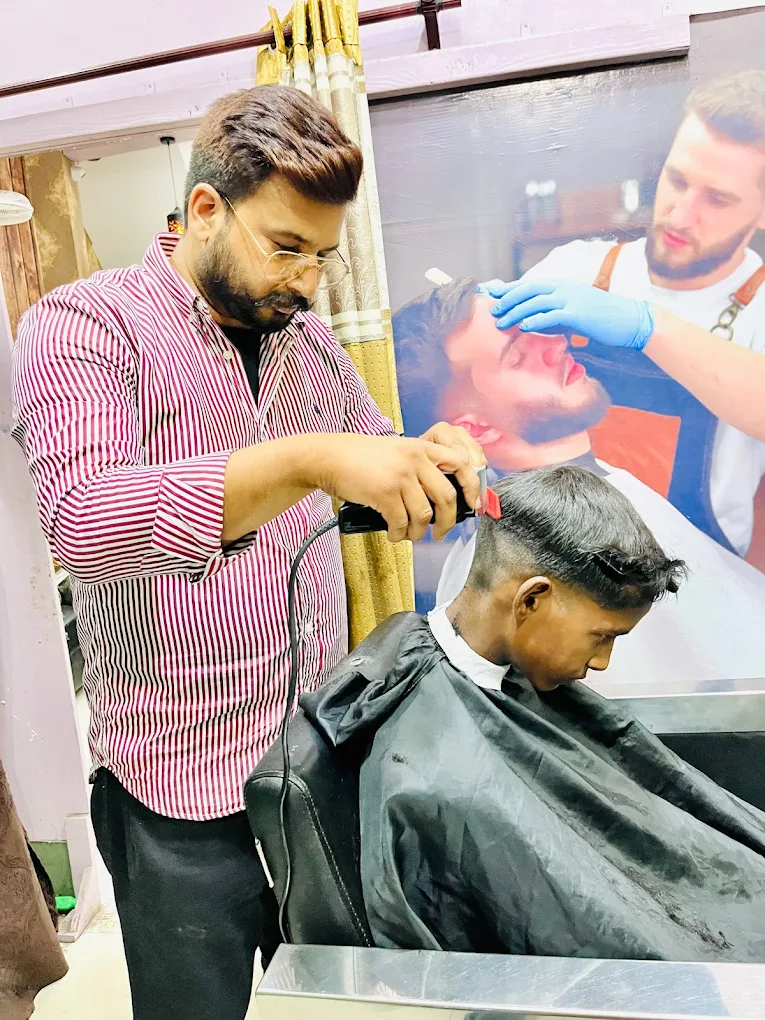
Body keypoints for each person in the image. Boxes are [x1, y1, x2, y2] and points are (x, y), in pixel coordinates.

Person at [11, 85, 483, 1020]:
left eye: (322, 256)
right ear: (204, 209)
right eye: (285, 247)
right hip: (176, 792)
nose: (306, 282)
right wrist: (304, 459)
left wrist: (423, 461)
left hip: (312, 760)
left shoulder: (305, 341)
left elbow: (367, 460)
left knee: (345, 999)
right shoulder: (86, 325)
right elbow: (86, 522)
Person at [301, 467, 765, 962]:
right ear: (531, 599)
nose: (603, 663)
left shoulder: (514, 685)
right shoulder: (435, 780)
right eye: (602, 636)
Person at [393, 278, 765, 686]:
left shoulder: (602, 490)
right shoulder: (524, 558)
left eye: (537, 331)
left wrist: (650, 326)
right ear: (475, 429)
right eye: (517, 356)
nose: (556, 344)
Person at [486, 71, 765, 558]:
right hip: (567, 560)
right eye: (677, 180)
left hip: (703, 580)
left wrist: (648, 327)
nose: (681, 214)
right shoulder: (576, 270)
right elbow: (485, 386)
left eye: (717, 199)